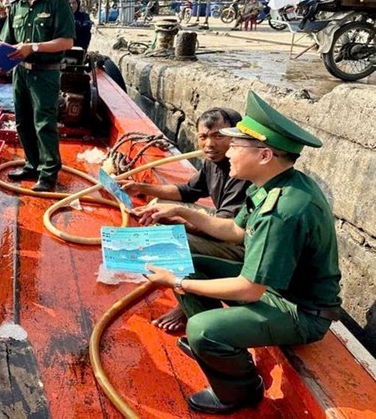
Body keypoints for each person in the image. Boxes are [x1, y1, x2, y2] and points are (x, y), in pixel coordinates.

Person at [135, 91, 341, 414]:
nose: (228, 150)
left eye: (237, 145)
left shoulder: (283, 211)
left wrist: (176, 283)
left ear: (264, 155)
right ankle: (225, 349)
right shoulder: (270, 184)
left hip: (300, 312)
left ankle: (241, 389)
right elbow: (233, 229)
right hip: (277, 291)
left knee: (201, 330)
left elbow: (249, 289)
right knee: (186, 263)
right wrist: (181, 211)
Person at [125, 108, 251, 332]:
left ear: (236, 137)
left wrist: (174, 221)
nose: (209, 144)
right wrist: (142, 188)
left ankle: (191, 307)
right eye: (203, 136)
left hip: (240, 244)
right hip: (224, 225)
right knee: (160, 206)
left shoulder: (241, 171)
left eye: (218, 136)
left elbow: (226, 230)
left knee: (170, 243)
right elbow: (187, 191)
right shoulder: (214, 161)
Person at [0, 0, 75, 192]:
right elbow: (7, 41)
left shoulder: (57, 3)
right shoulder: (15, 6)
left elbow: (66, 41)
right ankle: (31, 165)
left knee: (44, 122)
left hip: (45, 72)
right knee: (22, 121)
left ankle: (48, 173)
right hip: (20, 72)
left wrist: (32, 47)